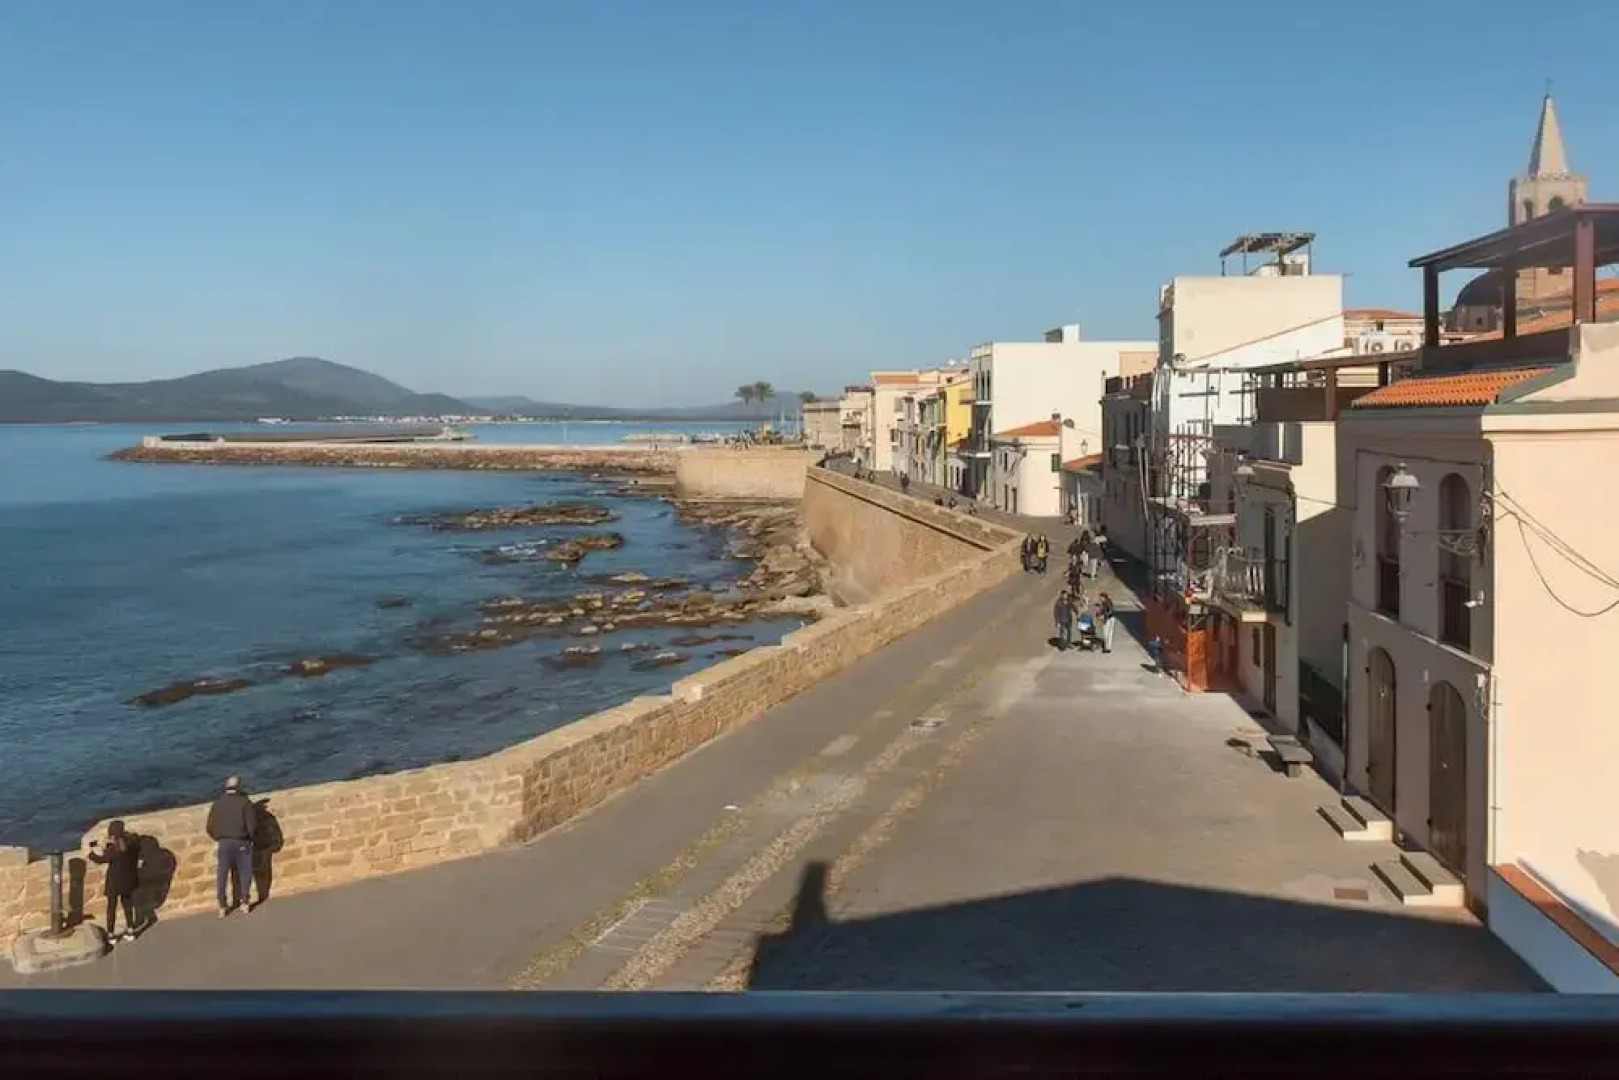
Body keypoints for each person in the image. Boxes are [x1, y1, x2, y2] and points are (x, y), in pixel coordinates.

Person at [206, 775, 258, 917]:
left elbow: (209, 827)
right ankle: (245, 902)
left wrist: (218, 837)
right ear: (239, 787)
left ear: (225, 787)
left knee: (222, 874)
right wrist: (249, 838)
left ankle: (222, 906)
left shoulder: (217, 804)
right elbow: (251, 825)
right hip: (242, 841)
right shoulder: (244, 802)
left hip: (224, 842)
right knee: (245, 872)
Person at [87, 820, 142, 943]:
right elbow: (128, 847)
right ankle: (130, 930)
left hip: (114, 882)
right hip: (129, 879)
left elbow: (100, 859)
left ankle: (111, 934)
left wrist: (90, 853)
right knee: (127, 905)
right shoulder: (132, 844)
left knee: (111, 908)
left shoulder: (114, 850)